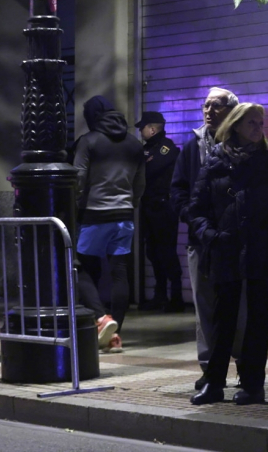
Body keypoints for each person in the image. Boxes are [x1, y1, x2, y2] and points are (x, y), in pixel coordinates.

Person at [187, 103, 268, 405]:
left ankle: (253, 384)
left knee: (257, 319)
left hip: (259, 249)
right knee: (221, 319)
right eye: (252, 123)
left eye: (261, 123)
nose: (259, 129)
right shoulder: (215, 159)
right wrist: (211, 237)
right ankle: (214, 382)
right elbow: (196, 208)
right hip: (225, 248)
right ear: (236, 126)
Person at [171, 87, 240, 389]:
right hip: (200, 241)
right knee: (205, 308)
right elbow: (178, 192)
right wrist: (195, 222)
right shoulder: (192, 148)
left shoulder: (243, 145)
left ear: (231, 111)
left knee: (240, 308)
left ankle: (244, 365)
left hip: (235, 242)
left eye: (217, 106)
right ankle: (210, 369)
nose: (209, 111)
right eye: (206, 106)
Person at [74, 96, 145, 354]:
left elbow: (78, 177)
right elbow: (140, 184)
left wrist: (76, 202)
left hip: (94, 214)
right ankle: (115, 335)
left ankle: (101, 319)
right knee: (119, 272)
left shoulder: (88, 141)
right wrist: (131, 202)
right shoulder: (135, 144)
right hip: (124, 214)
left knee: (80, 267)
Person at [135, 111, 183, 313]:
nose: (141, 132)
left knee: (167, 252)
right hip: (149, 207)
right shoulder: (147, 149)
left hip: (163, 208)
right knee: (153, 252)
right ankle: (160, 295)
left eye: (143, 128)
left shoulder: (166, 148)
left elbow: (149, 170)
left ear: (152, 128)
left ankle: (176, 297)